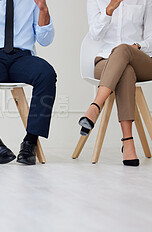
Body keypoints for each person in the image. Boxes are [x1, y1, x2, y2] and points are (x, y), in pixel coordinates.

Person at [0, 0, 57, 165]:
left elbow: (45, 40)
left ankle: (31, 142)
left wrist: (43, 8)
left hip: (22, 57)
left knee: (46, 74)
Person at [80, 0, 152, 166]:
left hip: (141, 59)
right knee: (125, 72)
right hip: (105, 61)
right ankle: (128, 142)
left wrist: (138, 46)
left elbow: (151, 37)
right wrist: (110, 9)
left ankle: (95, 107)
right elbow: (94, 35)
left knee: (123, 49)